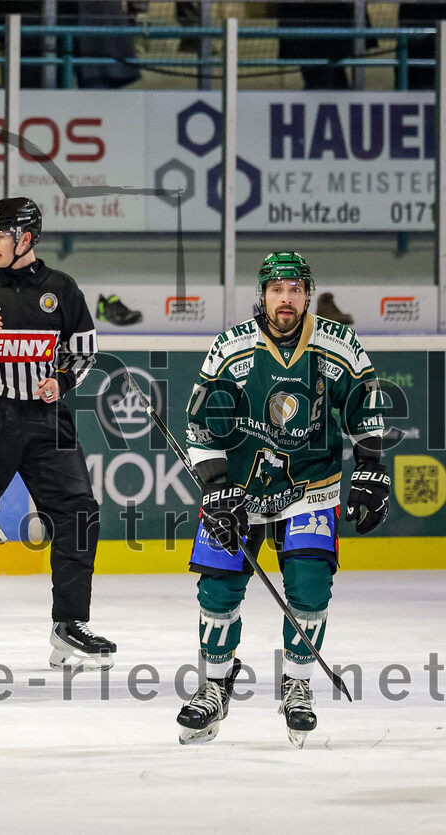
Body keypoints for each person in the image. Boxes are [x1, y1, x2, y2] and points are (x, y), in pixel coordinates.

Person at [177, 251, 389, 748]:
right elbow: (201, 425)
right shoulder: (232, 347)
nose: (286, 298)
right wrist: (216, 487)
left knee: (310, 584)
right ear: (263, 296)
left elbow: (365, 410)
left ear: (307, 295)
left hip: (310, 487)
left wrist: (372, 469)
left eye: (295, 289)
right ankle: (215, 684)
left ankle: (298, 684)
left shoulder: (338, 343)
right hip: (239, 489)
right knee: (218, 588)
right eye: (277, 290)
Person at [0, 196, 114, 670]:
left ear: (27, 238)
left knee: (78, 514)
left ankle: (70, 625)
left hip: (45, 421)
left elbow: (83, 352)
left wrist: (62, 380)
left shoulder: (61, 289)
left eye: (1, 235)